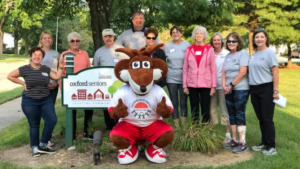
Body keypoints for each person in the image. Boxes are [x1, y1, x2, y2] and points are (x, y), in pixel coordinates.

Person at [7, 47, 64, 157]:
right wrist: (22, 83)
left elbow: (57, 76)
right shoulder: (25, 69)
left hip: (45, 99)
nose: (37, 57)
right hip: (30, 101)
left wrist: (61, 65)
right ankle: (35, 148)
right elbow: (10, 76)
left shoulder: (45, 69)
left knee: (52, 120)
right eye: (35, 55)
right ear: (31, 57)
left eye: (40, 55)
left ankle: (43, 144)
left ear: (42, 58)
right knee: (34, 125)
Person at [249, 28, 279, 155]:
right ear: (254, 40)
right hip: (254, 89)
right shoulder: (254, 54)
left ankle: (271, 146)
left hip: (266, 88)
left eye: (262, 37)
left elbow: (275, 72)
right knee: (260, 118)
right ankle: (264, 142)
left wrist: (275, 90)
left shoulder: (270, 53)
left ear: (266, 39)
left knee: (267, 118)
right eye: (257, 37)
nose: (259, 39)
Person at [92, 28, 128, 130]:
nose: (108, 38)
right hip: (105, 84)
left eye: (110, 36)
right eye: (106, 36)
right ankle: (110, 125)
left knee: (121, 102)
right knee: (107, 104)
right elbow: (95, 69)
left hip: (120, 83)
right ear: (103, 38)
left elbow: (128, 64)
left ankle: (122, 124)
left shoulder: (121, 49)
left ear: (113, 37)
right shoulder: (99, 52)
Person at [60, 32, 93, 140]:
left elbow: (89, 70)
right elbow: (61, 72)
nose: (75, 43)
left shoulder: (85, 54)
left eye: (77, 40)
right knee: (72, 111)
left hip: (85, 85)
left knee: (88, 109)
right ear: (69, 42)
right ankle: (72, 134)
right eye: (72, 41)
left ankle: (87, 133)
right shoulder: (64, 54)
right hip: (71, 87)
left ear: (80, 42)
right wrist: (62, 87)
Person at [222, 32, 249, 153]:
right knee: (231, 114)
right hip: (228, 89)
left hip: (240, 89)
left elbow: (243, 72)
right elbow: (223, 72)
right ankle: (234, 139)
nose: (231, 43)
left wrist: (231, 85)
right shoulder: (227, 55)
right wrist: (224, 85)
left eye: (233, 41)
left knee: (239, 114)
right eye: (229, 41)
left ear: (238, 42)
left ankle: (242, 142)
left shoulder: (243, 53)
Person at [183, 25, 216, 124]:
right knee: (194, 109)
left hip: (206, 84)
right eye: (197, 33)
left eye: (201, 33)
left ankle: (205, 133)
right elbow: (185, 69)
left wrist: (213, 86)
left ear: (205, 35)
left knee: (205, 108)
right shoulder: (189, 49)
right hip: (192, 83)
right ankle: (195, 132)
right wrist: (185, 86)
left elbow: (213, 69)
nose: (199, 35)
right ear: (194, 35)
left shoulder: (209, 49)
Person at [163, 26, 190, 127]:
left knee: (183, 102)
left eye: (178, 32)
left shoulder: (187, 45)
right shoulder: (167, 46)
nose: (175, 34)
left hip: (184, 78)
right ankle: (177, 127)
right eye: (173, 32)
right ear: (171, 35)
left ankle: (184, 126)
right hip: (171, 78)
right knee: (174, 102)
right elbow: (162, 61)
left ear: (181, 34)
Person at [209, 32, 231, 146]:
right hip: (211, 86)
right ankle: (213, 133)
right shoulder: (209, 53)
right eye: (214, 40)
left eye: (218, 40)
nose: (216, 42)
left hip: (223, 86)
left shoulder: (227, 53)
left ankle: (228, 135)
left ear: (222, 41)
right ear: (212, 42)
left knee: (224, 110)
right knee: (212, 110)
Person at [38, 31, 60, 147]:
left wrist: (56, 83)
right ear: (41, 40)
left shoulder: (56, 53)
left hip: (54, 87)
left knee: (50, 112)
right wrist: (45, 84)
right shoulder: (37, 53)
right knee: (44, 112)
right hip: (41, 87)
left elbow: (58, 69)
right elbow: (34, 70)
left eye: (49, 38)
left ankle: (47, 139)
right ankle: (44, 139)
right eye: (45, 38)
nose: (47, 40)